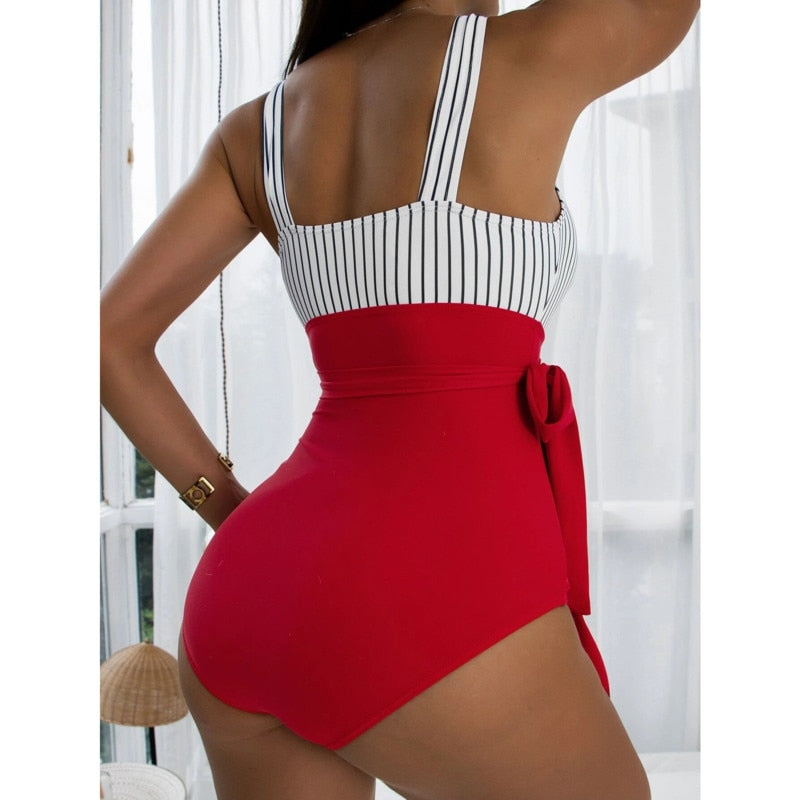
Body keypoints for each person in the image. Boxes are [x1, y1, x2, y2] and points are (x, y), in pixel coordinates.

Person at [100, 1, 699, 798]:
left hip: (252, 596)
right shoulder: (528, 52)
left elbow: (109, 339)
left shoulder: (258, 130)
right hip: (428, 592)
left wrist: (233, 516)